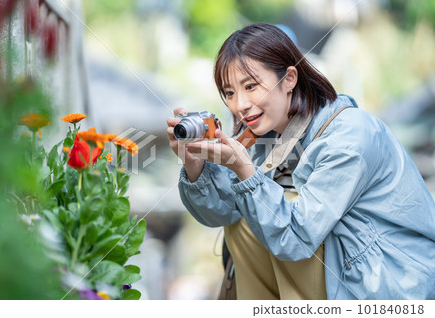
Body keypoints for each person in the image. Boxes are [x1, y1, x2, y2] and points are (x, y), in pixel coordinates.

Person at [166, 22, 435, 300]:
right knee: (246, 213)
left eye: (251, 86)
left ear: (289, 79)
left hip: (391, 287)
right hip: (340, 274)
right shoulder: (264, 136)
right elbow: (222, 213)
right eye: (230, 93)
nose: (240, 105)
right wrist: (193, 165)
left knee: (262, 203)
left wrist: (244, 170)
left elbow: (298, 238)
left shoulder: (349, 136)